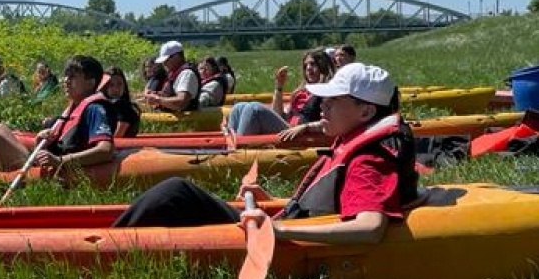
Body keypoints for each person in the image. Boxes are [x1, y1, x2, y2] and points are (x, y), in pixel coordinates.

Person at [113, 62, 419, 242]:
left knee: (175, 194)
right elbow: (333, 201)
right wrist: (271, 202)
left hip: (279, 238)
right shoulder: (351, 139)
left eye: (333, 101)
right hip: (284, 224)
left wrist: (279, 229)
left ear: (365, 112)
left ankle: (106, 250)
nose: (322, 106)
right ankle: (117, 243)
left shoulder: (369, 160)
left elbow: (370, 227)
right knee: (177, 196)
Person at [0, 55, 116, 177]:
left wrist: (59, 160)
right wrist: (40, 141)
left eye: (72, 76)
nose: (65, 80)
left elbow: (106, 151)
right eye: (66, 75)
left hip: (56, 168)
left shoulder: (95, 109)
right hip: (46, 162)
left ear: (90, 83)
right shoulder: (72, 109)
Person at [223, 48, 337, 141]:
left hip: (302, 135)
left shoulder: (328, 92)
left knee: (254, 109)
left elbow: (334, 122)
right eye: (305, 66)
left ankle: (240, 147)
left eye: (313, 64)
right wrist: (279, 87)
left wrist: (306, 127)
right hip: (288, 129)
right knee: (239, 107)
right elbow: (279, 115)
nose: (308, 68)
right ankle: (230, 140)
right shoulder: (301, 92)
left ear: (323, 67)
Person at [139, 41, 200, 114]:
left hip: (183, 121)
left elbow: (181, 103)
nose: (164, 63)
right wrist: (156, 94)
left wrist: (157, 100)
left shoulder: (187, 74)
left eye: (166, 60)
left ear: (177, 56)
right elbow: (171, 94)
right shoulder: (174, 73)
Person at [104, 66, 142, 137]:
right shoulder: (106, 105)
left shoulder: (123, 106)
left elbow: (118, 135)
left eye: (119, 84)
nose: (116, 89)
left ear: (124, 87)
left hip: (123, 147)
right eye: (111, 85)